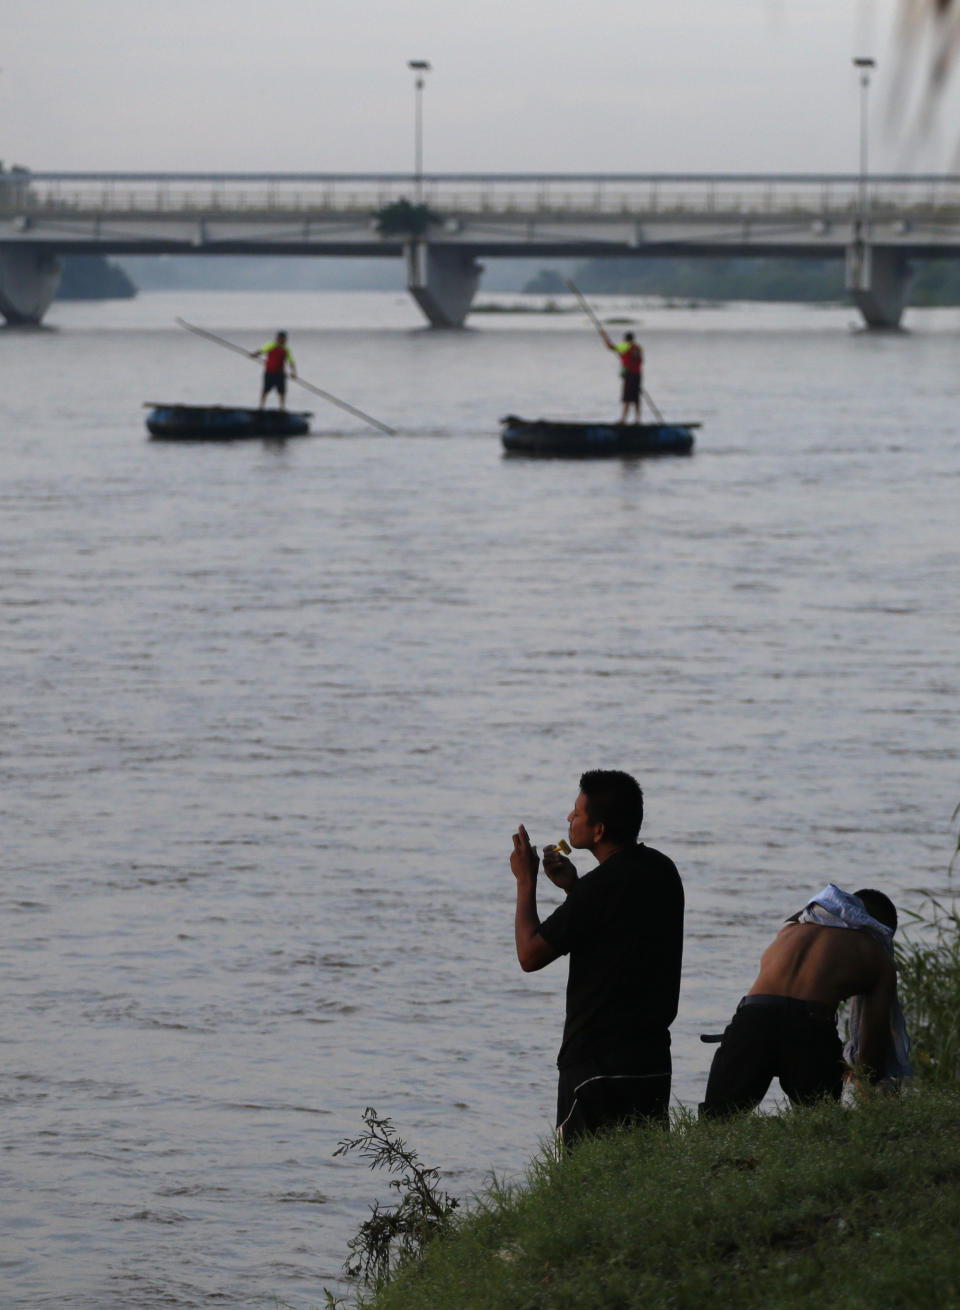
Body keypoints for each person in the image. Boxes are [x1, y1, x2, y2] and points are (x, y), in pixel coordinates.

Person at [510, 769, 684, 1147]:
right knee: (644, 1179)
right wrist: (575, 887)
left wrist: (526, 881)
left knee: (581, 1190)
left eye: (576, 813)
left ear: (599, 830)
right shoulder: (662, 870)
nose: (569, 819)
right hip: (651, 1063)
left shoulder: (599, 888)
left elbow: (529, 954)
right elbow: (620, 932)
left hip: (594, 1070)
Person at [699, 884, 911, 1119]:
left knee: (716, 1122)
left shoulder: (791, 930)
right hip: (810, 1025)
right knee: (820, 1127)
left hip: (751, 1017)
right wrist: (858, 1069)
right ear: (880, 929)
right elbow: (871, 1064)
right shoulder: (877, 956)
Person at [601, 329, 643, 423]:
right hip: (638, 374)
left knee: (627, 397)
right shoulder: (638, 348)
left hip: (629, 375)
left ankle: (623, 419)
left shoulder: (625, 346)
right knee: (636, 398)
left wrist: (603, 335)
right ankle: (638, 419)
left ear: (625, 339)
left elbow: (610, 347)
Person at [251, 330, 296, 409]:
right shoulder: (271, 345)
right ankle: (261, 407)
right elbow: (261, 351)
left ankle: (282, 408)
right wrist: (254, 354)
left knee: (282, 392)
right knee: (265, 390)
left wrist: (293, 372)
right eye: (280, 339)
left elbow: (291, 361)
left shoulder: (286, 349)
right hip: (269, 372)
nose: (282, 341)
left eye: (283, 339)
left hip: (280, 374)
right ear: (277, 339)